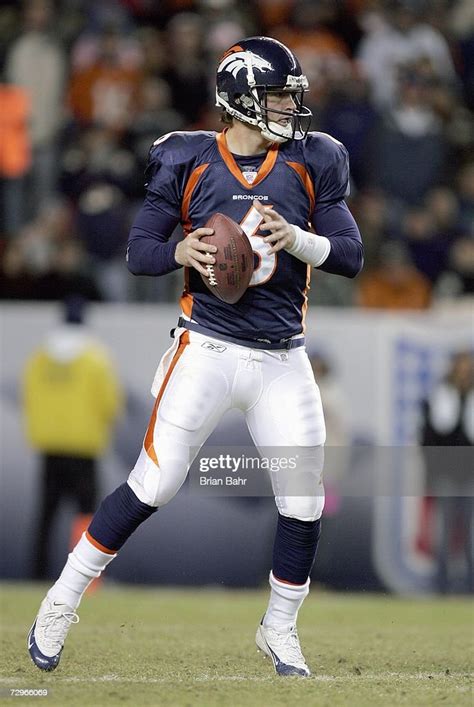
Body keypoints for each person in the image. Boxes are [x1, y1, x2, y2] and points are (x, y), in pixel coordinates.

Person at [27, 36, 363, 677]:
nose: (292, 107)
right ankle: (60, 600)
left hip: (282, 357)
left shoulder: (314, 160)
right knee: (156, 481)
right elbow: (140, 251)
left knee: (303, 498)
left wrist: (298, 238)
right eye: (277, 96)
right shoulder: (186, 159)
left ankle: (280, 628)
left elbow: (350, 255)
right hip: (205, 346)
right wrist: (180, 252)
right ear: (239, 100)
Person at [22, 296, 123, 579]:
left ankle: (37, 575)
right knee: (87, 517)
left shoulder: (39, 357)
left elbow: (28, 397)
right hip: (84, 447)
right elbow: (110, 403)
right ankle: (85, 579)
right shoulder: (95, 358)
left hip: (51, 446)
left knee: (46, 516)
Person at [420, 350, 474, 594]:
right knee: (444, 531)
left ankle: (469, 585)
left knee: (469, 535)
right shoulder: (441, 396)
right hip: (447, 473)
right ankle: (441, 585)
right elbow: (432, 435)